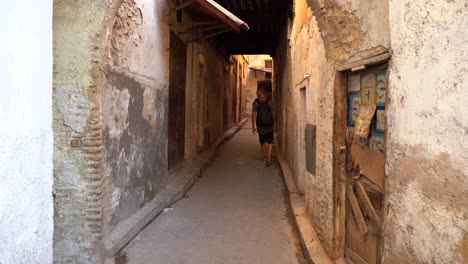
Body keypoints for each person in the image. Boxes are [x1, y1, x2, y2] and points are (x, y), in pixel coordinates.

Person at [251, 86, 275, 167]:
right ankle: (269, 154)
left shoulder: (255, 102)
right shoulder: (270, 101)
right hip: (269, 124)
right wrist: (274, 122)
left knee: (262, 141)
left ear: (260, 93)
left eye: (257, 91)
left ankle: (266, 156)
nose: (256, 92)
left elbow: (253, 115)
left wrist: (253, 126)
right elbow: (273, 113)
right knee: (270, 140)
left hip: (260, 125)